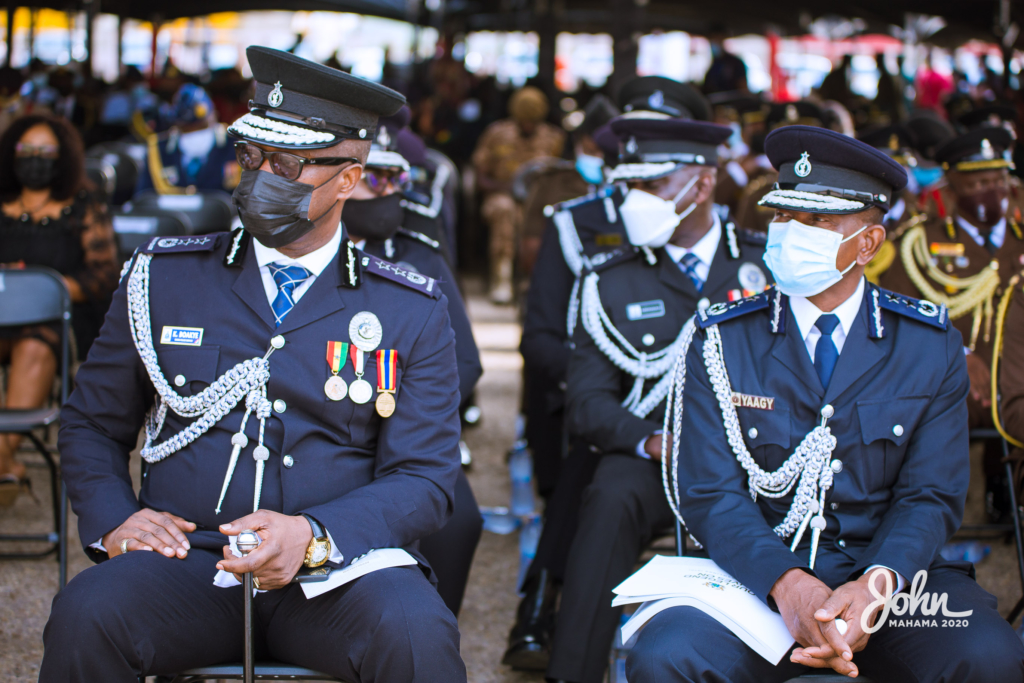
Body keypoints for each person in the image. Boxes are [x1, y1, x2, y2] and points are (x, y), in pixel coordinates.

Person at [40, 47, 467, 682]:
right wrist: (115, 519)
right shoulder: (162, 278)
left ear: (348, 178)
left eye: (288, 163)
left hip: (336, 570)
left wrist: (314, 535)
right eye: (250, 155)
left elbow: (427, 477)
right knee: (86, 613)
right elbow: (89, 424)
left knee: (417, 632)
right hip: (190, 562)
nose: (261, 174)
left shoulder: (409, 307)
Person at [627, 124, 1024, 683]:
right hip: (756, 580)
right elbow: (708, 492)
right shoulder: (720, 338)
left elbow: (931, 495)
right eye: (784, 215)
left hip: (892, 585)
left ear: (868, 243)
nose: (790, 232)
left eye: (817, 221)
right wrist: (788, 583)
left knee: (988, 655)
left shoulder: (927, 344)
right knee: (665, 655)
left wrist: (874, 587)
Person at [544, 112, 773, 683]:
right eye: (630, 186)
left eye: (652, 185)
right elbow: (588, 404)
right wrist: (651, 441)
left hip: (762, 462)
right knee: (609, 495)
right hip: (658, 459)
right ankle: (570, 671)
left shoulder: (765, 266)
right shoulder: (610, 278)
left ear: (702, 184)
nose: (633, 200)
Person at [506, 78, 712, 671]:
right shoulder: (583, 223)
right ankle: (545, 605)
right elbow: (544, 335)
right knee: (595, 455)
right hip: (601, 405)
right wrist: (600, 392)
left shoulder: (737, 251)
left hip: (686, 429)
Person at [341, 106, 483, 617]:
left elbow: (465, 361)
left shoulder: (420, 255)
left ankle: (427, 635)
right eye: (371, 178)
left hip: (405, 431)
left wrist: (407, 421)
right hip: (324, 431)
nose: (385, 191)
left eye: (394, 178)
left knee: (460, 518)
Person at [880, 127, 1024, 519]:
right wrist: (956, 355)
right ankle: (932, 512)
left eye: (997, 181)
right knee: (938, 411)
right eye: (977, 182)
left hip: (1017, 375)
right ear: (953, 185)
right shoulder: (920, 244)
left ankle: (1008, 499)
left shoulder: (1019, 238)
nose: (990, 191)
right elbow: (896, 314)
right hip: (957, 378)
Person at [0, 114, 119, 504]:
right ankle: (6, 468)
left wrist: (38, 290)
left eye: (45, 152)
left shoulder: (82, 206)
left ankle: (3, 456)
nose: (35, 159)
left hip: (56, 320)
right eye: (27, 151)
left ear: (62, 157)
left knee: (35, 344)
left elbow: (103, 275)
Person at [472, 85, 566, 303]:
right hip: (501, 194)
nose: (528, 125)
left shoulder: (554, 138)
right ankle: (501, 279)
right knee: (505, 211)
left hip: (539, 198)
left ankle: (535, 279)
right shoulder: (496, 134)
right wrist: (508, 188)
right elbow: (481, 178)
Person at [735, 101, 827, 233]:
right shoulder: (759, 195)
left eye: (806, 140)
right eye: (789, 142)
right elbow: (745, 248)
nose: (798, 150)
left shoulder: (835, 194)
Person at [138, 83, 241, 195]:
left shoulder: (236, 144)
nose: (195, 132)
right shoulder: (158, 149)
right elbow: (144, 197)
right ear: (176, 126)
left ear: (215, 116)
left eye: (202, 126)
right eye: (187, 129)